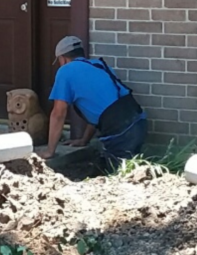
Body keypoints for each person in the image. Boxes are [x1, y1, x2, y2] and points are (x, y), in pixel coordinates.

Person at [39, 35, 147, 166]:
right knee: (130, 169)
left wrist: (50, 151)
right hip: (138, 122)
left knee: (117, 176)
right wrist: (84, 140)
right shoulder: (99, 65)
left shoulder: (65, 71)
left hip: (120, 133)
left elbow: (58, 113)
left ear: (63, 59)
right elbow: (99, 109)